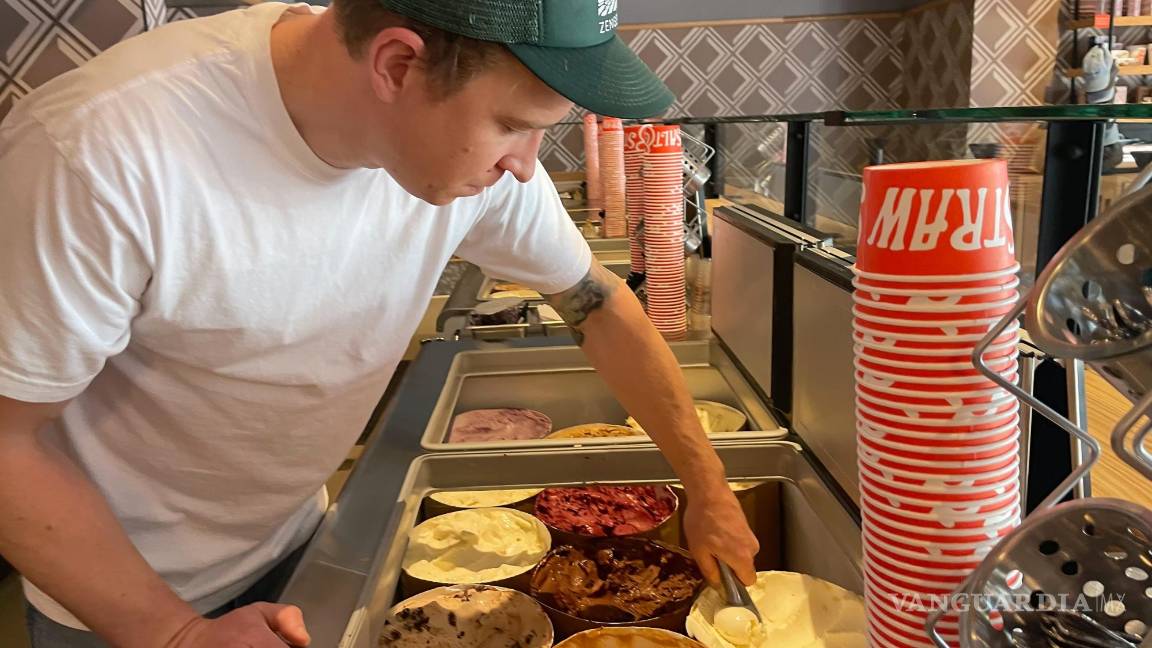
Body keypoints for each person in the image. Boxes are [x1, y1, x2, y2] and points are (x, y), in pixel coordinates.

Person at [0, 0, 761, 645]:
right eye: (512, 125)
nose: (528, 165)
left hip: (302, 538)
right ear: (397, 65)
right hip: (116, 594)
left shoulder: (463, 154)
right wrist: (176, 633)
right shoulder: (96, 154)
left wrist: (709, 486)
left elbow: (597, 306)